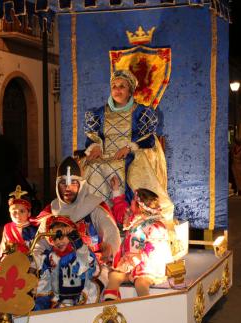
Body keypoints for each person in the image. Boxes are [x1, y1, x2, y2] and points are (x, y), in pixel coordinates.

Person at [81, 69, 172, 220]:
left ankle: (126, 217)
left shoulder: (141, 112)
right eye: (114, 86)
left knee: (121, 167)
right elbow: (93, 137)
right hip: (105, 154)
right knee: (92, 167)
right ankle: (99, 218)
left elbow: (148, 139)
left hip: (130, 154)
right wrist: (96, 146)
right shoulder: (99, 114)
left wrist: (129, 147)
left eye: (122, 86)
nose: (117, 90)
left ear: (130, 91)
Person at [36, 156, 121, 288]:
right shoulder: (51, 211)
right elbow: (39, 243)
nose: (67, 188)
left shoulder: (94, 206)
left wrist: (108, 248)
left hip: (91, 265)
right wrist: (35, 260)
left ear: (81, 185)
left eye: (73, 183)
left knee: (94, 288)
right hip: (58, 266)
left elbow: (111, 232)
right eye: (63, 183)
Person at [102, 176, 173, 300]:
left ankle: (144, 303)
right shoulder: (134, 220)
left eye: (133, 203)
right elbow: (120, 211)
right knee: (114, 275)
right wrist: (116, 190)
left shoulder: (149, 227)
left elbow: (144, 253)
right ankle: (110, 299)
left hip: (147, 264)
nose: (130, 205)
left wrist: (129, 263)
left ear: (140, 207)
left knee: (141, 282)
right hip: (131, 261)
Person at [41, 215, 100, 307]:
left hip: (80, 292)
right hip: (60, 297)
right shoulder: (50, 256)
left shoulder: (79, 250)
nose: (59, 241)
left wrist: (77, 241)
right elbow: (44, 282)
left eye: (62, 236)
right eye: (55, 238)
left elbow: (88, 266)